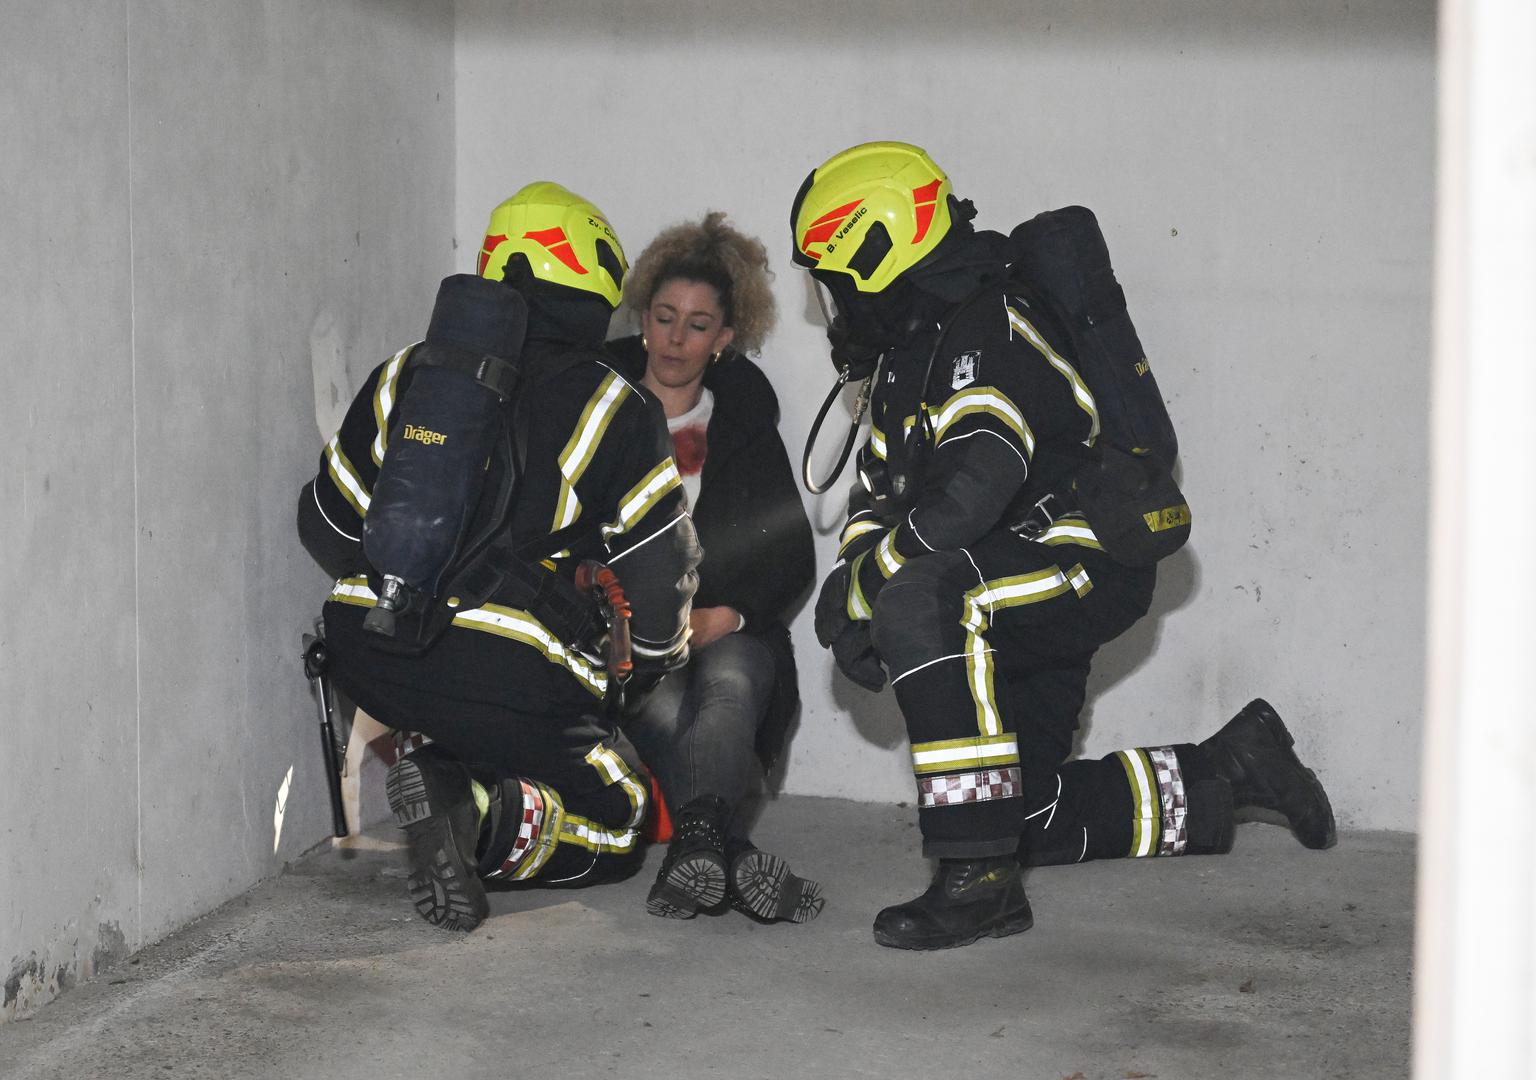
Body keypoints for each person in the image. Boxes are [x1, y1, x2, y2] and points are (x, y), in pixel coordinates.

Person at [790, 141, 1336, 951]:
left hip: (1080, 560)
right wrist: (851, 583)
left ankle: (979, 887)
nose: (831, 302)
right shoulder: (908, 358)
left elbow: (981, 476)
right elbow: (882, 495)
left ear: (872, 249)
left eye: (832, 279)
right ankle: (1230, 770)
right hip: (1008, 579)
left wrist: (874, 590)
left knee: (920, 595)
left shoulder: (988, 322)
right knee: (1020, 814)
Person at [297, 181, 700, 932]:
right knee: (621, 815)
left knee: (474, 714)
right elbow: (657, 572)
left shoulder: (406, 373)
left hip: (369, 645)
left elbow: (325, 522)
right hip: (512, 666)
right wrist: (644, 665)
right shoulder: (616, 403)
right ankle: (476, 815)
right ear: (590, 281)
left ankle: (448, 770)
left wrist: (414, 576)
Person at [606, 212, 823, 924]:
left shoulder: (739, 423)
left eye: (698, 325)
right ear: (642, 319)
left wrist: (725, 615)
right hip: (628, 641)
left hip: (725, 627)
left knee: (731, 676)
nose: (676, 338)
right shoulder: (599, 414)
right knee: (666, 703)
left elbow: (790, 554)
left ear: (724, 339)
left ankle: (700, 850)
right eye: (664, 317)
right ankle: (725, 854)